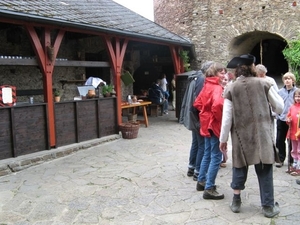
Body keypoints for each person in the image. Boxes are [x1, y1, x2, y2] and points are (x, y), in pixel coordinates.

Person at [219, 54, 284, 218]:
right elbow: (280, 108)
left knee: (239, 166)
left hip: (241, 135)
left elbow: (226, 118)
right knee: (264, 168)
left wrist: (223, 140)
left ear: (237, 70)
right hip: (262, 135)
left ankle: (236, 201)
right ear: (253, 67)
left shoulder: (231, 88)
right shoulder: (265, 83)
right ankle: (268, 207)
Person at [193, 62, 227, 200]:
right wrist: (220, 119)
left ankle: (201, 181)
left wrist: (205, 112)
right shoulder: (217, 87)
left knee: (207, 153)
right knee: (216, 157)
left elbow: (197, 103)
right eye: (221, 72)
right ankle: (209, 187)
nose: (224, 75)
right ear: (215, 74)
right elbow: (218, 104)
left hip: (205, 123)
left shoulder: (207, 85)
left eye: (224, 72)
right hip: (214, 124)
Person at [179, 61, 214, 181]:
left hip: (193, 116)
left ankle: (192, 167)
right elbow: (199, 101)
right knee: (201, 145)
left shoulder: (195, 77)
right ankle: (198, 171)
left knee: (196, 143)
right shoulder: (201, 79)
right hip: (198, 117)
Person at [275, 72, 297, 168]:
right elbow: (276, 104)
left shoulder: (297, 92)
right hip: (282, 118)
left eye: (289, 78)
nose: (287, 80)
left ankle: (292, 160)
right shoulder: (280, 92)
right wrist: (277, 114)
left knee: (292, 140)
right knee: (280, 140)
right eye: (285, 79)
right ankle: (280, 159)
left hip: (293, 120)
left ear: (293, 80)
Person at [286, 88, 300, 175]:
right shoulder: (292, 107)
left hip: (299, 132)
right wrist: (289, 120)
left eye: (299, 96)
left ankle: (299, 165)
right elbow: (288, 118)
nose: (298, 98)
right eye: (296, 96)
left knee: (299, 149)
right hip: (293, 132)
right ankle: (294, 164)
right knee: (294, 149)